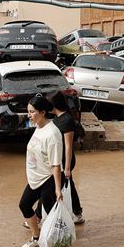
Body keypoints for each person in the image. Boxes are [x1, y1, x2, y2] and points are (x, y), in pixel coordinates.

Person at [18, 94, 63, 247]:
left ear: (43, 112)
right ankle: (36, 238)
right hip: (35, 178)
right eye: (28, 111)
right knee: (24, 205)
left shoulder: (52, 134)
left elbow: (56, 164)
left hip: (48, 179)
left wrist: (58, 189)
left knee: (50, 214)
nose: (28, 115)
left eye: (32, 112)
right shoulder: (39, 126)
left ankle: (57, 244)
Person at [49, 91, 84, 224]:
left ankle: (39, 216)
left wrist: (67, 168)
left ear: (54, 105)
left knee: (51, 185)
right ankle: (78, 213)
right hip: (58, 159)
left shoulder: (67, 120)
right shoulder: (57, 119)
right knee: (68, 186)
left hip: (65, 160)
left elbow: (69, 146)